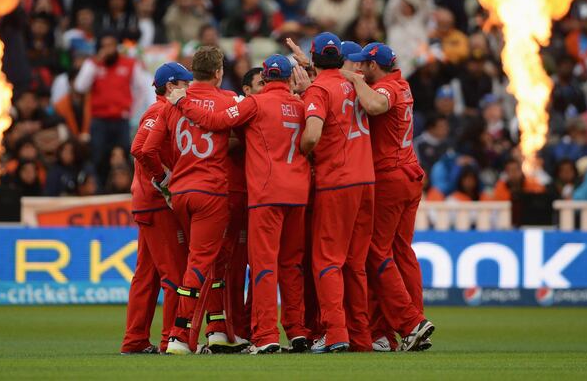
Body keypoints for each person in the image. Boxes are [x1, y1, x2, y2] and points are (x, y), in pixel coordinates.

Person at [167, 54, 311, 354]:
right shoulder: (301, 104)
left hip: (265, 194)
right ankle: (298, 332)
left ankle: (266, 335)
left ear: (266, 79)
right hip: (298, 193)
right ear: (287, 78)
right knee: (292, 265)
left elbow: (215, 121)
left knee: (263, 266)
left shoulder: (254, 103)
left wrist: (181, 102)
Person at [140, 46, 245, 355]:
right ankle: (179, 335)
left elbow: (146, 150)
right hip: (212, 192)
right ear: (218, 73)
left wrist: (163, 180)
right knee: (200, 262)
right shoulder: (228, 100)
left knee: (208, 260)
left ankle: (216, 329)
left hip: (181, 193)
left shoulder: (172, 105)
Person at [342, 42, 435, 352]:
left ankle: (409, 322)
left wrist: (354, 82)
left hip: (391, 176)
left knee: (376, 250)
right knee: (401, 251)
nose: (357, 69)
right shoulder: (402, 84)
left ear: (373, 66)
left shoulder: (386, 89)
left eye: (361, 65)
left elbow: (376, 106)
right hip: (409, 173)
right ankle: (414, 320)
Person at [294, 32, 374, 353]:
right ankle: (362, 337)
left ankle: (336, 333)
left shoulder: (318, 90)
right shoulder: (353, 84)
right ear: (341, 59)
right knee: (355, 263)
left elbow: (312, 135)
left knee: (326, 260)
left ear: (313, 59)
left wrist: (303, 152)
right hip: (366, 179)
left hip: (337, 181)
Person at [122, 63, 192, 354]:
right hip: (156, 203)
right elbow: (141, 149)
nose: (190, 89)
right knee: (174, 275)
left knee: (146, 276)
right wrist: (164, 180)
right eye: (186, 83)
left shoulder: (163, 110)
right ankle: (169, 340)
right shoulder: (158, 111)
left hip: (148, 202)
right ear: (172, 85)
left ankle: (135, 340)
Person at [74, 33, 143, 183]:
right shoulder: (92, 64)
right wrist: (96, 63)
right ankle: (99, 189)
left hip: (121, 120)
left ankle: (128, 188)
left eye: (111, 45)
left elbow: (141, 90)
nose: (108, 49)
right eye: (105, 46)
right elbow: (80, 86)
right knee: (98, 157)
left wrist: (131, 110)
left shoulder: (130, 64)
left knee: (125, 156)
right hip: (99, 120)